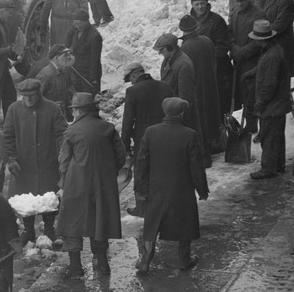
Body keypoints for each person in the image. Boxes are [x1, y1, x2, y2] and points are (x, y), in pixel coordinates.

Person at [133, 98, 209, 273]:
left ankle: (145, 260)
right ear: (182, 113)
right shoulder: (189, 134)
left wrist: (141, 190)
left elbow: (142, 162)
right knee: (185, 224)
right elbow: (197, 166)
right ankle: (184, 259)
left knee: (151, 225)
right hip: (181, 189)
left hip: (156, 189)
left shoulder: (151, 132)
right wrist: (202, 190)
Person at [55, 93, 126, 279]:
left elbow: (64, 163)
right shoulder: (108, 128)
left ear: (77, 111)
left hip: (76, 184)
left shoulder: (72, 131)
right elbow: (120, 157)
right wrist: (107, 174)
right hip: (103, 185)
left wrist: (64, 183)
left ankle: (75, 268)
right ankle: (102, 264)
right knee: (100, 222)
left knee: (72, 223)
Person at [3, 78, 67, 244]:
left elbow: (62, 134)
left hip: (48, 162)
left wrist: (62, 154)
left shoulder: (52, 109)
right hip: (24, 165)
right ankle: (29, 230)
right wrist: (10, 158)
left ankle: (49, 228)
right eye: (25, 96)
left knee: (49, 197)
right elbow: (8, 136)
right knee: (26, 198)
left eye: (32, 96)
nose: (28, 99)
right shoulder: (14, 109)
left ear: (38, 93)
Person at [120, 62, 172, 216]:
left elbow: (128, 121)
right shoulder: (165, 86)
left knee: (142, 171)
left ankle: (142, 207)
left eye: (131, 78)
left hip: (143, 139)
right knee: (163, 170)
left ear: (135, 74)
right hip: (165, 135)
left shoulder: (132, 91)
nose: (131, 82)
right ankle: (165, 204)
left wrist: (125, 144)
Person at [245, 20, 293, 179]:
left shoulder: (271, 56)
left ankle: (269, 168)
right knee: (276, 135)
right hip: (278, 104)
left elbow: (269, 84)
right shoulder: (273, 49)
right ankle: (278, 164)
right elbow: (263, 68)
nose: (254, 41)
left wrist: (260, 104)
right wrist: (252, 72)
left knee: (269, 136)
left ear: (261, 39)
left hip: (273, 105)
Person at [178, 15, 221, 167]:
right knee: (210, 116)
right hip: (210, 86)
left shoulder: (184, 48)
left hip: (196, 88)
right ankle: (213, 144)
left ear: (182, 30)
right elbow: (214, 63)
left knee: (199, 120)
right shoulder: (207, 41)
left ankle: (205, 155)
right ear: (196, 27)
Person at [188, 0, 235, 121]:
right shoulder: (190, 21)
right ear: (192, 5)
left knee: (220, 103)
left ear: (207, 4)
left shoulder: (216, 21)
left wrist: (205, 61)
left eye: (202, 3)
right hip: (200, 71)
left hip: (218, 70)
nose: (200, 7)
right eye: (197, 4)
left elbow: (222, 46)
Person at [228, 0, 264, 129]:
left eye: (243, 1)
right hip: (239, 61)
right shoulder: (235, 13)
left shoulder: (259, 15)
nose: (240, 4)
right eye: (237, 1)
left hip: (252, 61)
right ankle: (247, 122)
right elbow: (230, 32)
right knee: (241, 92)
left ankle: (252, 124)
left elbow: (259, 41)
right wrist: (233, 47)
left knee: (252, 93)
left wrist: (241, 52)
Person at [155, 33, 200, 141]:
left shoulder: (183, 65)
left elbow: (186, 98)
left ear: (170, 47)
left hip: (180, 117)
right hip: (172, 113)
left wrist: (177, 120)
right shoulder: (168, 61)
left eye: (161, 50)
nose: (159, 53)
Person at [262, 0, 294, 77]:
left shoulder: (286, 0)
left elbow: (279, 26)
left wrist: (262, 32)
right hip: (272, 43)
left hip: (282, 44)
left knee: (281, 80)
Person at [65, 9, 103, 93]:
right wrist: (67, 48)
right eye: (75, 24)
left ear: (87, 22)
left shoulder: (94, 36)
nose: (77, 26)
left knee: (88, 97)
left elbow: (95, 60)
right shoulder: (76, 28)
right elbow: (69, 33)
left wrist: (93, 79)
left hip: (87, 74)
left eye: (80, 24)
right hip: (76, 70)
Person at [36, 45, 75, 120]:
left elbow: (66, 95)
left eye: (69, 55)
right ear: (56, 58)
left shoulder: (64, 71)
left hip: (60, 115)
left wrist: (70, 113)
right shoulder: (45, 75)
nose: (69, 58)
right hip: (47, 117)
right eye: (65, 55)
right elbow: (36, 99)